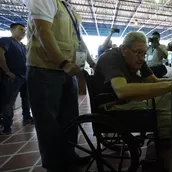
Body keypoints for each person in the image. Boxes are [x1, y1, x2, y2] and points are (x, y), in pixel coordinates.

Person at [93, 31, 172, 171]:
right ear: (124, 50)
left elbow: (154, 81)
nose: (141, 58)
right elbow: (122, 91)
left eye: (144, 53)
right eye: (138, 52)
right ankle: (161, 148)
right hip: (112, 106)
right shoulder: (110, 58)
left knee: (168, 94)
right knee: (165, 102)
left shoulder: (137, 59)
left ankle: (155, 148)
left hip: (126, 102)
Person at [23, 0, 95, 171]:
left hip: (66, 71)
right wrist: (62, 62)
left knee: (70, 118)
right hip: (45, 69)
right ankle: (53, 163)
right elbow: (43, 30)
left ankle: (69, 155)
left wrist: (92, 63)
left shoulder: (67, 7)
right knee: (48, 120)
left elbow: (79, 39)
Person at [0, 23, 33, 135]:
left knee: (26, 99)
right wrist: (7, 71)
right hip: (12, 77)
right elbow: (0, 55)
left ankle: (27, 118)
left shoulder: (23, 46)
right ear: (12, 30)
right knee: (9, 101)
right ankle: (6, 126)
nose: (24, 32)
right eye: (21, 29)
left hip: (24, 76)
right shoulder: (6, 41)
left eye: (24, 30)